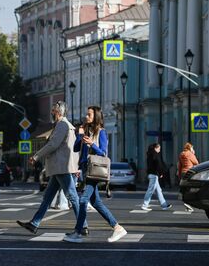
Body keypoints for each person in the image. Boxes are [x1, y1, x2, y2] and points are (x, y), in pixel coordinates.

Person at [17, 101, 85, 234]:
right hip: (59, 166)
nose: (52, 113)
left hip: (61, 166)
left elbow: (53, 145)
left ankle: (83, 225)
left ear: (59, 112)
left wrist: (36, 156)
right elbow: (72, 149)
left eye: (53, 110)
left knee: (72, 196)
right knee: (48, 197)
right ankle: (34, 223)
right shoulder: (65, 125)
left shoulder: (62, 125)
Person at [64, 106, 127, 243]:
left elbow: (103, 153)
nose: (86, 116)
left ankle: (77, 232)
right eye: (86, 114)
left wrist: (92, 144)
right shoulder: (87, 131)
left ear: (96, 117)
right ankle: (117, 227)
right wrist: (80, 136)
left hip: (94, 170)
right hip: (86, 169)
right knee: (96, 202)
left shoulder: (102, 133)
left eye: (89, 115)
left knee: (83, 200)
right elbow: (75, 149)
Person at [141, 143, 172, 211]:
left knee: (159, 191)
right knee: (150, 190)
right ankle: (145, 205)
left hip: (152, 174)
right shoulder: (155, 155)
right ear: (155, 148)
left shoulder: (150, 155)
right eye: (159, 148)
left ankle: (164, 205)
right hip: (154, 175)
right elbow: (158, 165)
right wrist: (161, 172)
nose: (159, 150)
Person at [178, 142, 198, 212]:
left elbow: (179, 165)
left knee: (185, 188)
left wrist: (179, 174)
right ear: (190, 148)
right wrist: (193, 154)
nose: (193, 148)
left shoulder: (181, 154)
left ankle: (187, 204)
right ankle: (188, 203)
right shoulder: (190, 154)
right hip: (190, 172)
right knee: (191, 188)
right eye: (192, 147)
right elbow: (196, 163)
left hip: (183, 172)